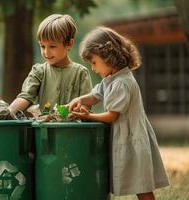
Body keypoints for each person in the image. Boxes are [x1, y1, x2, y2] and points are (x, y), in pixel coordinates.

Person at [68, 26, 169, 200]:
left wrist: (88, 116)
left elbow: (111, 116)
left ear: (108, 56)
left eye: (93, 62)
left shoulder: (121, 82)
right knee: (139, 183)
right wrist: (77, 101)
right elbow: (94, 96)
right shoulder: (111, 79)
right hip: (127, 137)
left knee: (142, 186)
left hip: (133, 139)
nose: (93, 68)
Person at [8, 14, 92, 113]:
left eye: (52, 46)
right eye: (42, 46)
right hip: (45, 128)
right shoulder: (38, 72)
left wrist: (81, 109)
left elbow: (86, 105)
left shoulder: (81, 73)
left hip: (72, 128)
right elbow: (25, 97)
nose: (46, 52)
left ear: (69, 44)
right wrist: (7, 112)